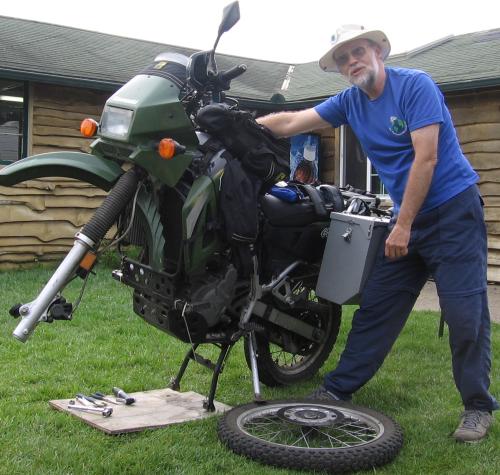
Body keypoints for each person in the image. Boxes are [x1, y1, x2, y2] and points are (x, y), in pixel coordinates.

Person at [257, 24, 498, 442]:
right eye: (344, 57)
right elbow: (294, 120)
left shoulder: (414, 87)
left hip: (452, 214)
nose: (353, 60)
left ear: (378, 52)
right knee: (377, 310)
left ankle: (477, 406)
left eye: (359, 51)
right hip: (407, 219)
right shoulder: (350, 102)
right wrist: (241, 124)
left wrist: (402, 225)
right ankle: (337, 389)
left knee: (465, 316)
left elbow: (426, 159)